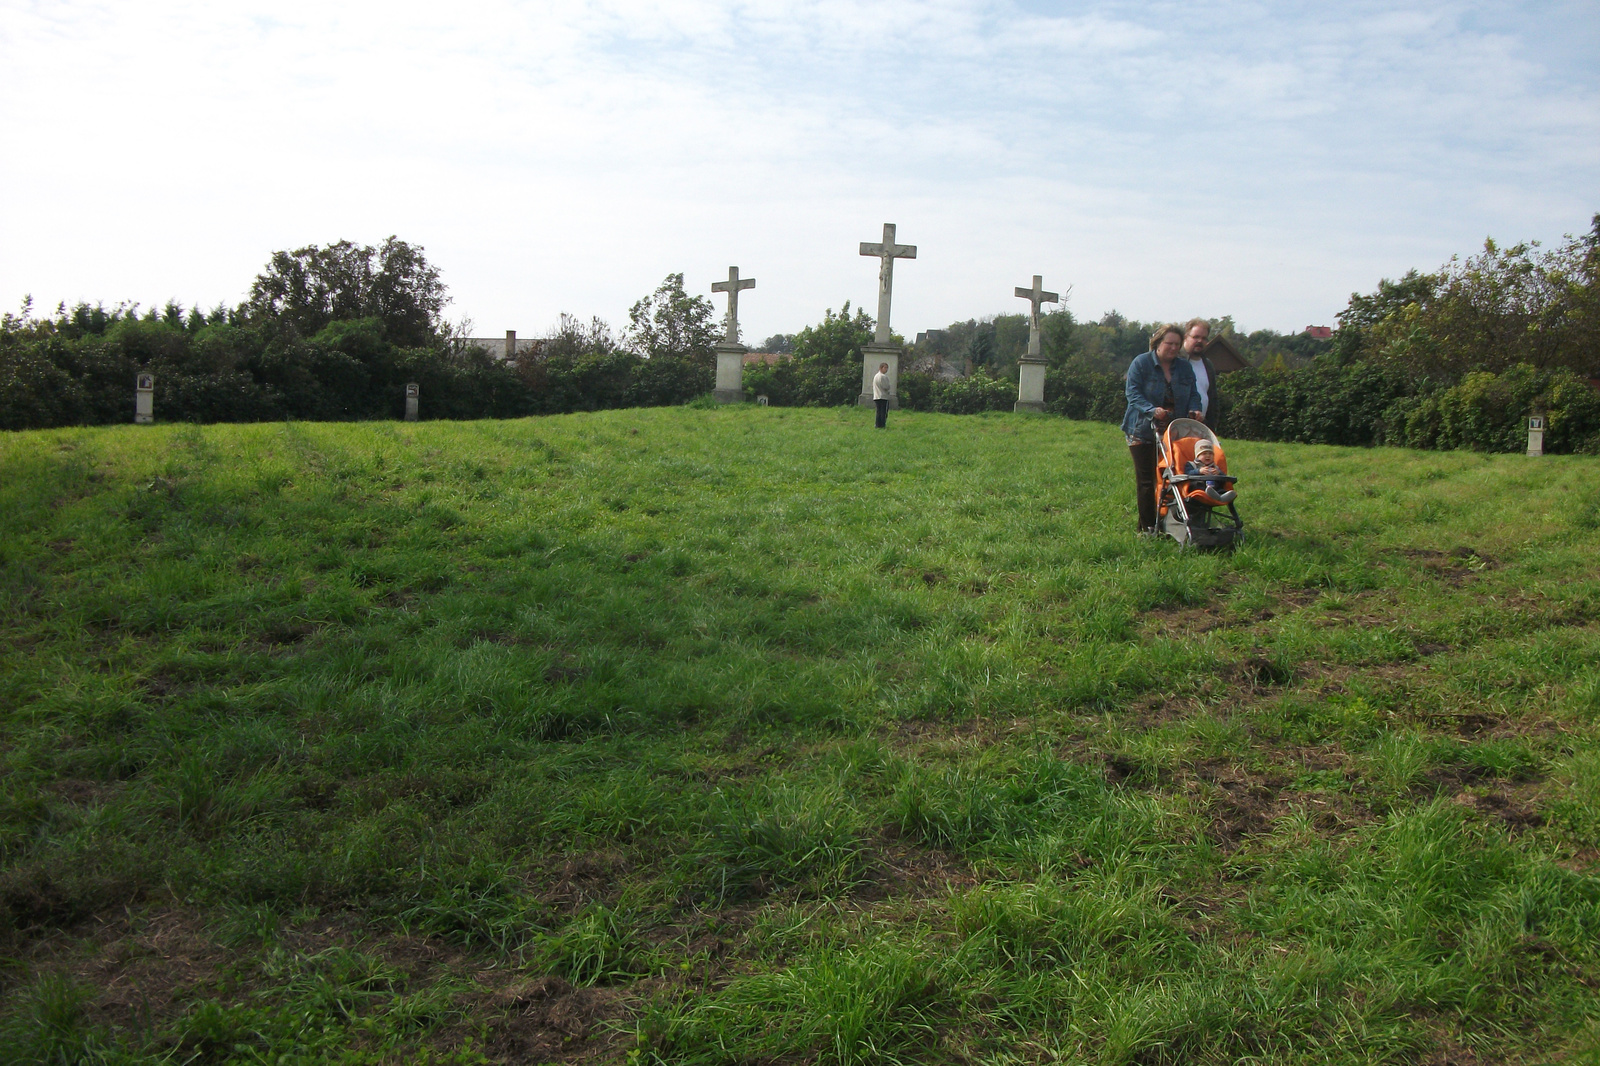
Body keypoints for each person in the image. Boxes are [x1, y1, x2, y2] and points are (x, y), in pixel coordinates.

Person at [1122, 324, 1202, 534]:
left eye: (1177, 344)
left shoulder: (1184, 368)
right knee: (1147, 480)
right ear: (1158, 343)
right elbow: (1133, 394)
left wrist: (1195, 409)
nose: (1174, 348)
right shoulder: (1141, 363)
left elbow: (1194, 393)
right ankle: (1147, 527)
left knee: (1174, 477)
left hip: (1174, 432)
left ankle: (1172, 522)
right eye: (1169, 343)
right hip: (1142, 429)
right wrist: (1151, 410)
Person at [1182, 318, 1221, 428]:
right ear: (1186, 337)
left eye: (1204, 338)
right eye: (1196, 337)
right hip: (1179, 426)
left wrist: (1212, 426)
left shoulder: (1208, 365)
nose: (1200, 341)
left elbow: (1213, 399)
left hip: (1201, 426)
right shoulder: (1176, 361)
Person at [1184, 438, 1236, 504]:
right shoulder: (1191, 464)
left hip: (1214, 488)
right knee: (1198, 485)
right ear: (1197, 456)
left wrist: (1219, 473)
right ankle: (1213, 494)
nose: (1208, 456)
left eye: (1210, 454)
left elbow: (1223, 477)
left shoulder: (1215, 467)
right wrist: (1199, 471)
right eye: (1204, 454)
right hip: (1200, 488)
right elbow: (1187, 474)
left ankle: (1223, 496)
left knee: (1219, 487)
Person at [872, 362, 890, 428]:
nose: (886, 369)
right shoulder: (883, 376)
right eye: (885, 368)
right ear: (881, 368)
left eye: (887, 368)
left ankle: (877, 424)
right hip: (883, 396)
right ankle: (882, 425)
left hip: (876, 396)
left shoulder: (876, 376)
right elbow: (886, 386)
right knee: (883, 412)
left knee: (878, 412)